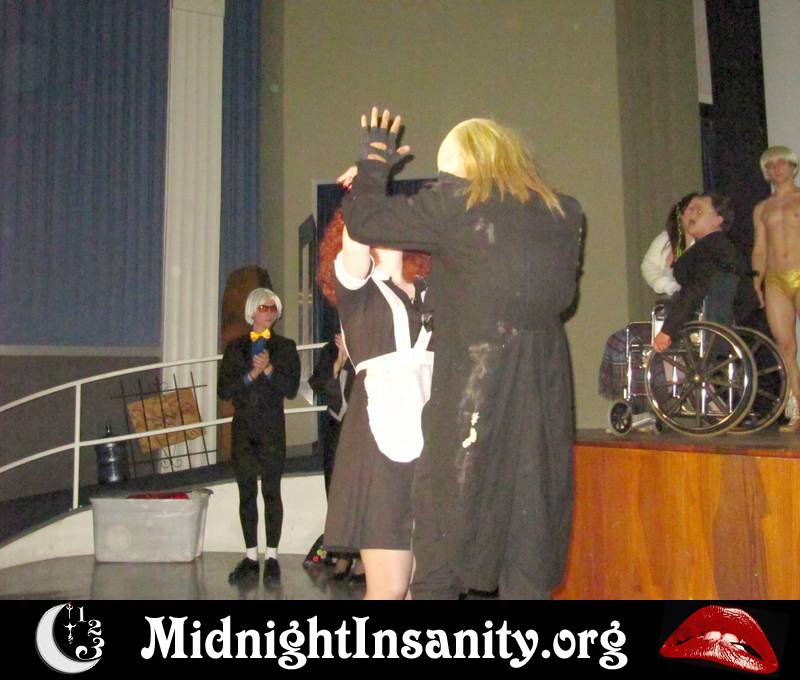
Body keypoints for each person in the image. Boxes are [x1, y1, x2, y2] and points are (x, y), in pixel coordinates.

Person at [339, 108, 583, 599]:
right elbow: (553, 294)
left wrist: (374, 162)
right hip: (543, 389)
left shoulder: (457, 205)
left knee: (443, 536)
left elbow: (365, 219)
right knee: (530, 531)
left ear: (463, 166)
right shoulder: (566, 212)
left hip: (474, 384)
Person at [318, 209, 432, 599]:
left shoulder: (430, 290)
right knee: (389, 587)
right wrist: (368, 189)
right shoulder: (358, 289)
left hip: (432, 444)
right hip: (382, 440)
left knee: (425, 587)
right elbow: (356, 240)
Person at [217, 288, 300, 585]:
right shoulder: (235, 348)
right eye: (265, 308)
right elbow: (224, 390)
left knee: (272, 491)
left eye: (274, 308)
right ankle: (251, 556)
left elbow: (291, 388)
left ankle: (273, 556)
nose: (270, 313)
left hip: (272, 428)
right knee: (246, 492)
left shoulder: (286, 347)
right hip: (243, 428)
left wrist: (269, 370)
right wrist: (251, 375)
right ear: (252, 310)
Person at [653, 194, 755, 352]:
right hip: (725, 318)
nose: (691, 214)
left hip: (720, 322)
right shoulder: (711, 246)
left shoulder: (712, 249)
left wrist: (667, 331)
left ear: (717, 220)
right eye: (690, 209)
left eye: (699, 211)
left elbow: (696, 290)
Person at [752, 145, 800, 430]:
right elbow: (760, 248)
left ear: (793, 167)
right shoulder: (762, 208)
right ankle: (798, 409)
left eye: (781, 163)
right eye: (770, 165)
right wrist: (756, 280)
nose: (776, 169)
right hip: (775, 279)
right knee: (785, 345)